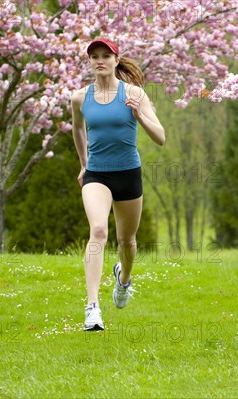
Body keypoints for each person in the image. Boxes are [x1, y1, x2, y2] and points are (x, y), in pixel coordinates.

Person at [70, 38, 166, 331]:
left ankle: (123, 280)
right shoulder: (79, 98)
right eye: (94, 56)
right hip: (97, 175)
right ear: (89, 62)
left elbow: (161, 137)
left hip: (128, 174)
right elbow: (77, 128)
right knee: (98, 231)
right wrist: (84, 164)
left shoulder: (134, 94)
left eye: (105, 55)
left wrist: (138, 115)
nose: (100, 60)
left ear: (115, 59)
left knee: (127, 241)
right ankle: (92, 308)